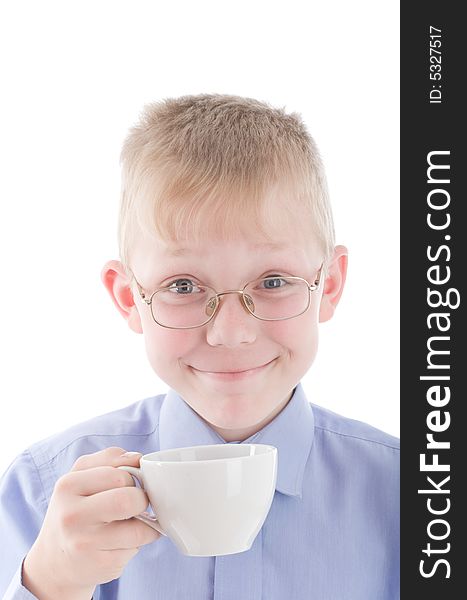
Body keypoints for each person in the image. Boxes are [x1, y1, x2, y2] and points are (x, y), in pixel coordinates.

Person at [0, 94, 399, 600]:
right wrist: (51, 584)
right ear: (129, 298)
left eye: (273, 281)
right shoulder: (41, 493)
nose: (230, 332)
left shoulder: (412, 497)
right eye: (184, 286)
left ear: (331, 286)